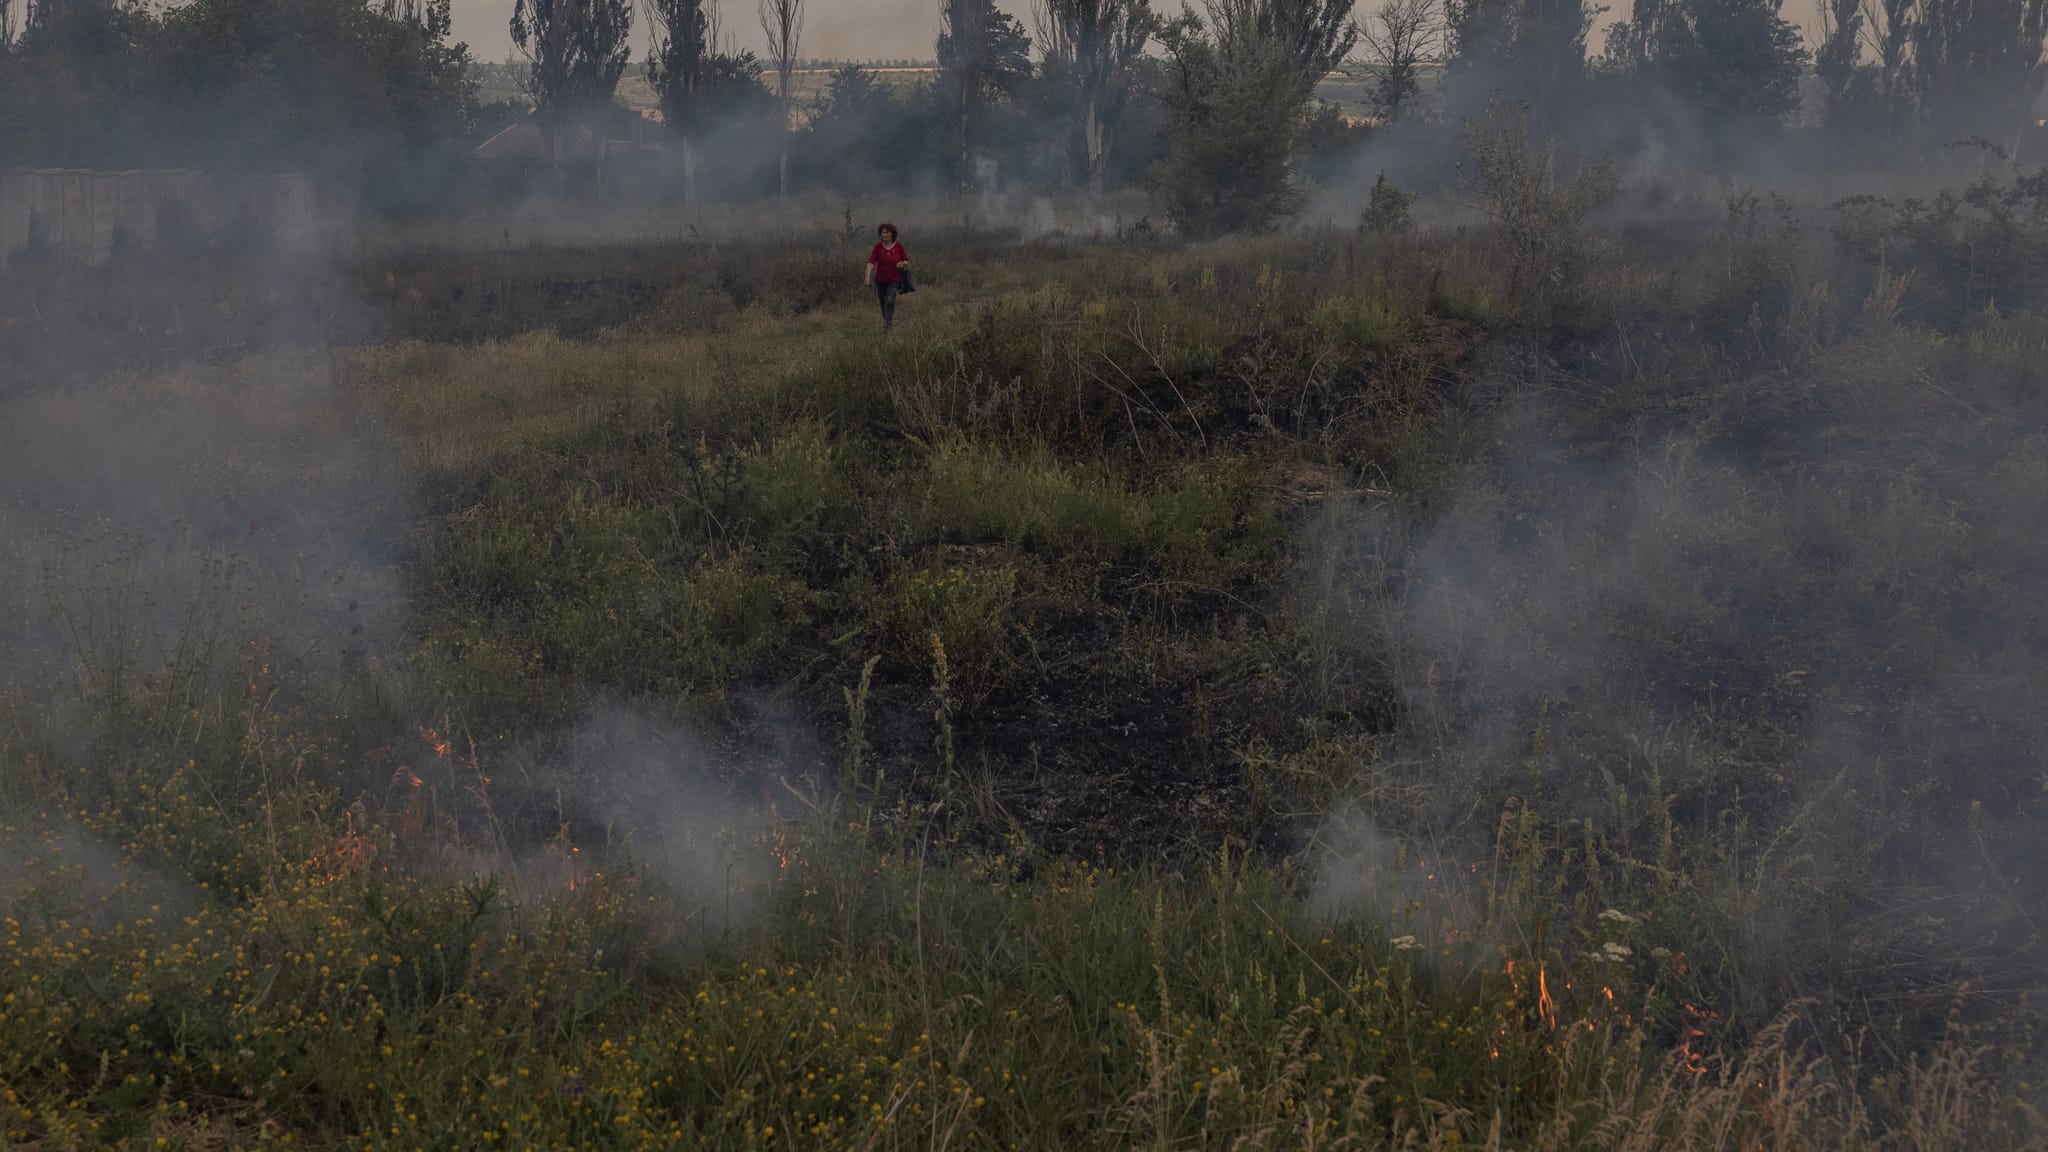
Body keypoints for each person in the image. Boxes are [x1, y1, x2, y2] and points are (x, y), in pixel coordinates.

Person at [864, 223, 911, 332]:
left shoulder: (898, 246)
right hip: (880, 280)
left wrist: (902, 263)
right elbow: (871, 263)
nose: (884, 234)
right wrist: (867, 277)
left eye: (886, 232)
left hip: (894, 279)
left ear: (892, 234)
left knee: (890, 300)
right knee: (883, 302)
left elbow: (906, 260)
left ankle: (887, 325)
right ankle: (887, 321)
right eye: (882, 232)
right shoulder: (877, 247)